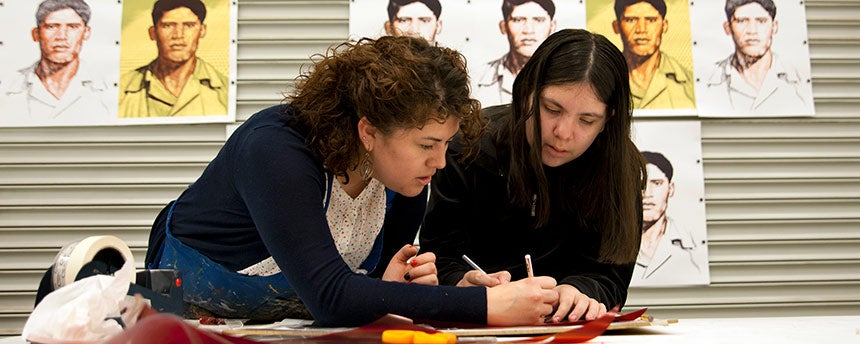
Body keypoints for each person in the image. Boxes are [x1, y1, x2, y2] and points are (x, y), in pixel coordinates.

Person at [144, 35, 559, 326]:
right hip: (181, 303)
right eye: (428, 144)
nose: (440, 162)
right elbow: (332, 298)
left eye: (446, 143)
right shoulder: (275, 151)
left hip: (271, 324)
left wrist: (432, 286)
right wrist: (484, 304)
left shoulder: (405, 180)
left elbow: (366, 294)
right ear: (368, 132)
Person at [421, 28, 646, 323]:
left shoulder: (619, 167)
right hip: (475, 324)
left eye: (587, 120)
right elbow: (439, 255)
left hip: (565, 330)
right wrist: (462, 284)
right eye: (552, 109)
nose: (563, 133)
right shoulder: (468, 148)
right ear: (526, 91)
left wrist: (580, 290)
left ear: (608, 120)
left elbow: (611, 274)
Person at [0, 0, 111, 123]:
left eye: (73, 27)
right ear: (36, 34)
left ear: (86, 33)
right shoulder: (7, 86)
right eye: (52, 27)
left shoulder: (108, 87)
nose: (61, 36)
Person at [699, 0, 813, 115]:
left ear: (774, 27)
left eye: (761, 21)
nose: (752, 31)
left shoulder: (799, 80)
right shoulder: (705, 81)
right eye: (742, 21)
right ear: (728, 28)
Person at [118, 0, 228, 118]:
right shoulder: (122, 90)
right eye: (168, 25)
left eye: (189, 25)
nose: (178, 35)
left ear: (202, 30)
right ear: (153, 32)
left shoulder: (224, 91)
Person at [630, 151, 706, 286]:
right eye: (639, 184)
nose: (647, 193)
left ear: (670, 189)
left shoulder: (690, 246)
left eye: (657, 183)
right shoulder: (610, 243)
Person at [612, 0, 695, 110]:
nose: (641, 29)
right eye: (631, 20)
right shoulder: (602, 80)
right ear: (616, 26)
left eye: (651, 20)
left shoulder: (690, 85)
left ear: (664, 25)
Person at [472, 0, 556, 108]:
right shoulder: (475, 80)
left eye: (539, 20)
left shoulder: (569, 78)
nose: (529, 30)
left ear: (553, 26)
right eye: (518, 20)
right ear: (503, 26)